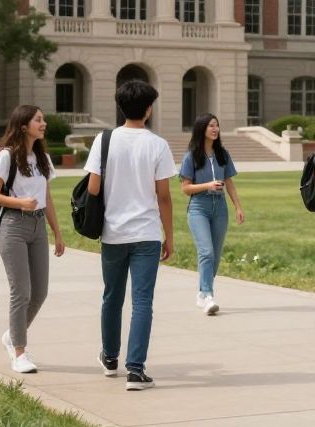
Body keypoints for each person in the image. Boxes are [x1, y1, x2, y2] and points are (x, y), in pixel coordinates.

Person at [86, 80, 176, 391]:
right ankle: (135, 371)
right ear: (149, 109)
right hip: (147, 233)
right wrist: (169, 236)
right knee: (142, 302)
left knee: (112, 297)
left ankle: (110, 358)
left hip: (113, 232)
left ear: (120, 107)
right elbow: (163, 196)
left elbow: (93, 188)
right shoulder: (157, 144)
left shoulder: (104, 140)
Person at [0, 105, 65, 374]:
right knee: (21, 292)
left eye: (43, 120)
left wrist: (57, 233)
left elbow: (47, 198)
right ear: (23, 126)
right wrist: (20, 202)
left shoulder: (43, 158)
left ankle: (11, 335)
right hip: (13, 226)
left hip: (38, 227)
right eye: (38, 120)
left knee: (40, 292)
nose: (44, 124)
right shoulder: (6, 156)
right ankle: (19, 352)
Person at [180, 113, 245, 316]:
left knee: (215, 257)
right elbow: (185, 188)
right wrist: (207, 185)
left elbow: (230, 183)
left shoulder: (222, 154)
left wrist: (238, 207)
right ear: (202, 129)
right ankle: (208, 296)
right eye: (211, 126)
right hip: (199, 207)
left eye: (216, 125)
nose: (215, 129)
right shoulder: (191, 156)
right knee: (206, 252)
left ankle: (202, 293)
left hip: (220, 208)